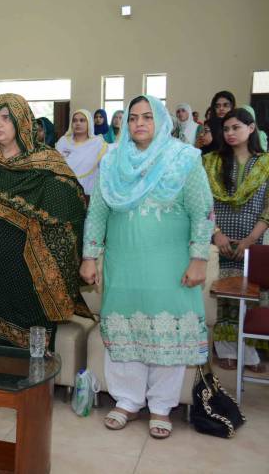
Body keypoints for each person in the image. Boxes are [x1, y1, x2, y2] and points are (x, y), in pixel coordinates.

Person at [80, 95, 213, 439]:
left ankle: (161, 406)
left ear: (162, 122)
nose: (139, 123)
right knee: (126, 332)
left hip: (170, 265)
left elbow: (202, 211)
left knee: (166, 334)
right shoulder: (112, 163)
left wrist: (200, 259)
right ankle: (126, 400)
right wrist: (89, 255)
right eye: (134, 117)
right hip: (124, 263)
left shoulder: (183, 159)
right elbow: (97, 212)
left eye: (148, 117)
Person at [0, 93, 89, 355]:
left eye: (6, 118)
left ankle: (27, 394)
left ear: (22, 121)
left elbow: (72, 210)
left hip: (26, 276)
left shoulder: (46, 164)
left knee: (27, 350)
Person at [203, 108, 268, 372]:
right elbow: (204, 201)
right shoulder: (211, 162)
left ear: (251, 128)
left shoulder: (265, 163)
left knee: (251, 294)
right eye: (226, 129)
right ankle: (225, 348)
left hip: (253, 239)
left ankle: (250, 351)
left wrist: (251, 239)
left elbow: (268, 206)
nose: (230, 133)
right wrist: (216, 232)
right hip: (219, 238)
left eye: (236, 128)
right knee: (223, 292)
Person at [56, 109, 108, 196]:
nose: (78, 123)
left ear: (89, 123)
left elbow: (107, 168)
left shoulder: (97, 143)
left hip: (87, 193)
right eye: (75, 120)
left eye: (82, 120)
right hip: (63, 191)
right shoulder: (63, 141)